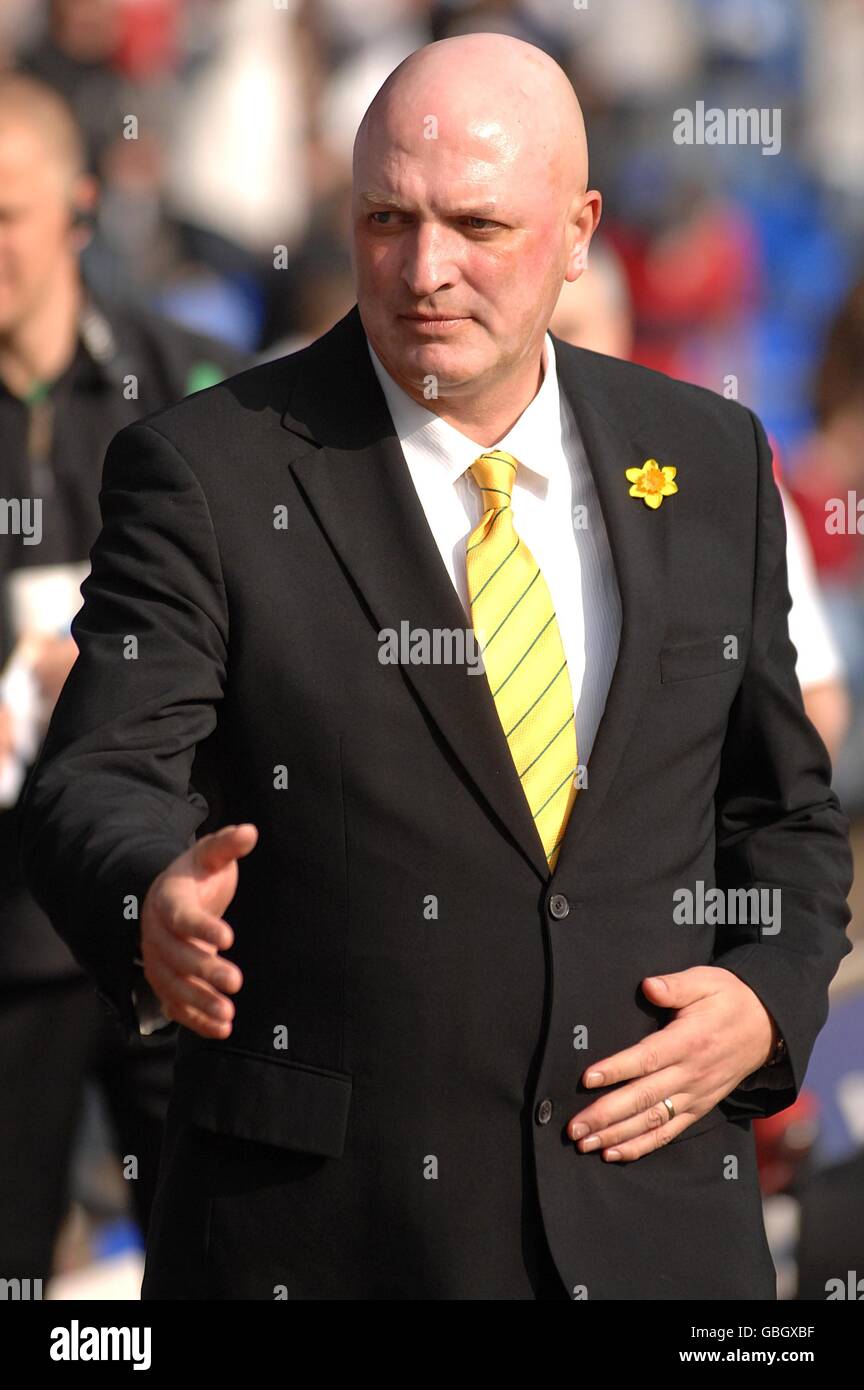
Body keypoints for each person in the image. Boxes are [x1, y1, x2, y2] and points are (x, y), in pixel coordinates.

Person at [19, 34, 853, 1300]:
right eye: (386, 218)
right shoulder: (211, 472)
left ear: (579, 231)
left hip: (658, 1237)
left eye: (477, 223)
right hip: (331, 1237)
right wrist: (154, 899)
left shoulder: (711, 460)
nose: (425, 270)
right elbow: (95, 777)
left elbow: (783, 820)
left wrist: (769, 1004)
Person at [0, 72, 246, 1283]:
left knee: (210, 1248)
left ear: (79, 211)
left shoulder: (192, 380)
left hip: (175, 902)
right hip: (8, 945)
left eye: (5, 213)